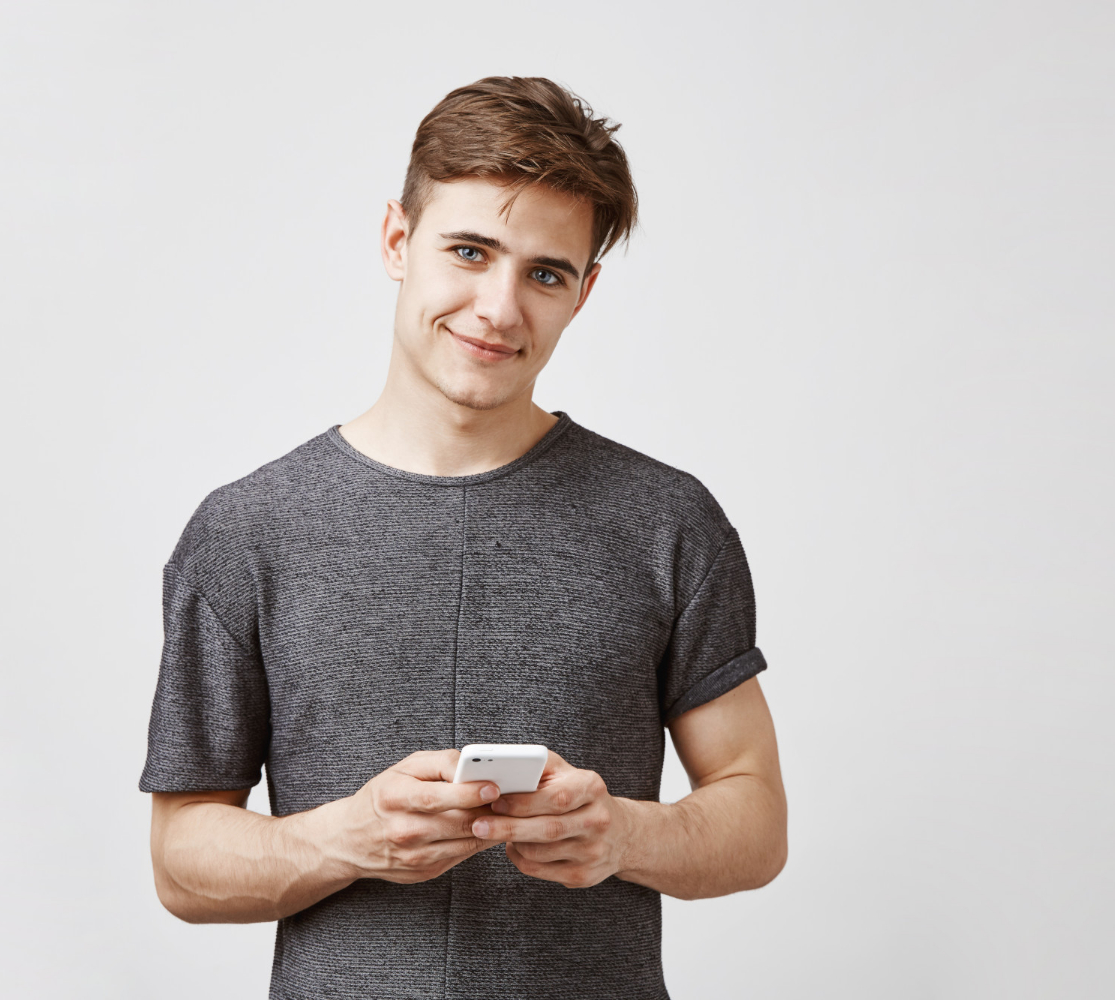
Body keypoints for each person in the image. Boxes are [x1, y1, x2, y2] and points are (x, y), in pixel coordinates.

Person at [140, 76, 787, 1000]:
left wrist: (624, 835)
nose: (498, 307)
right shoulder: (247, 531)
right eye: (471, 251)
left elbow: (756, 816)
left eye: (545, 273)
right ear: (398, 241)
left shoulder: (667, 520)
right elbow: (180, 862)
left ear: (584, 294)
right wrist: (347, 838)